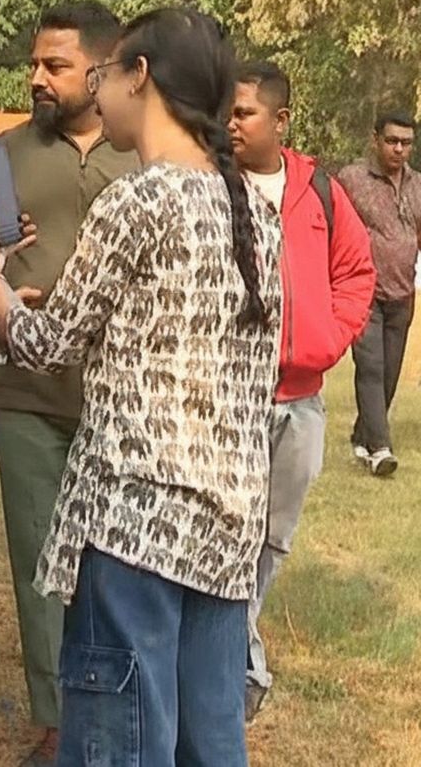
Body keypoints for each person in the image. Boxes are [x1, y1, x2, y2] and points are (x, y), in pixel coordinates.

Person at [0, 8, 282, 765]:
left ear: (138, 77)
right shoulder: (252, 213)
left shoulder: (138, 200)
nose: (99, 93)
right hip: (227, 519)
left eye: (105, 76)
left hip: (137, 518)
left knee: (121, 744)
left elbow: (45, 345)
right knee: (210, 740)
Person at [0, 1, 136, 766]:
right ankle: (58, 722)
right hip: (22, 388)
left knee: (116, 560)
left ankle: (120, 705)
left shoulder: (144, 154)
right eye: (34, 63)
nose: (36, 78)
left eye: (54, 64)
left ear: (103, 68)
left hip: (121, 392)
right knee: (40, 554)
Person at [229, 62, 375, 719]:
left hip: (302, 397)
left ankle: (236, 641)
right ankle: (241, 663)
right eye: (226, 113)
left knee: (273, 537)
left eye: (245, 113)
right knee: (230, 528)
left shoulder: (319, 189)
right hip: (232, 393)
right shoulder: (213, 184)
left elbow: (355, 269)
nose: (230, 124)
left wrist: (329, 336)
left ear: (281, 120)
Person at [337, 112, 420, 476]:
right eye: (392, 141)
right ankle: (380, 449)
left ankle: (363, 433)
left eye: (406, 142)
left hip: (402, 293)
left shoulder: (419, 185)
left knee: (389, 373)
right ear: (375, 140)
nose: (398, 149)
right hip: (363, 291)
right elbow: (331, 223)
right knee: (370, 368)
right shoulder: (352, 179)